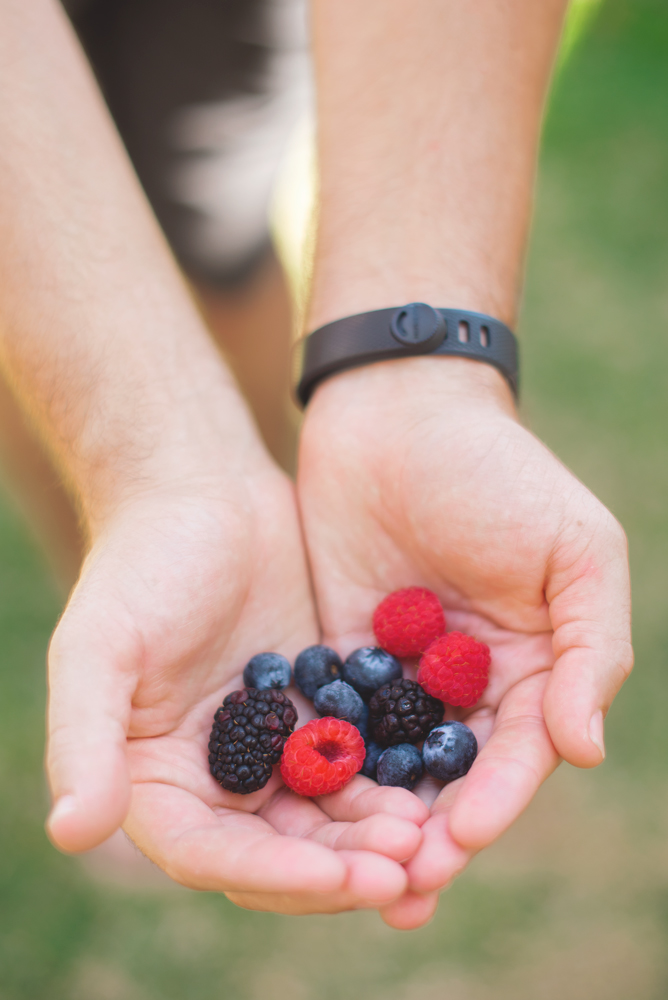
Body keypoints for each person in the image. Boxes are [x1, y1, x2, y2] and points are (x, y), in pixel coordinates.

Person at [0, 0, 632, 930]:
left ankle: (248, 487)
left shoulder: (376, 692)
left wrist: (423, 382)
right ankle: (136, 540)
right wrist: (146, 475)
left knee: (214, 222)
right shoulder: (352, 700)